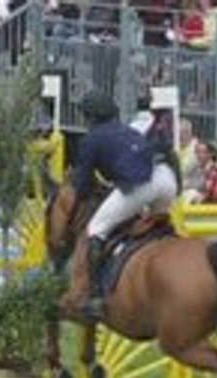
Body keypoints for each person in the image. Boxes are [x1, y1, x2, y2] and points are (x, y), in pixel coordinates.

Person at [70, 89, 179, 321]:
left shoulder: (91, 138)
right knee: (155, 225)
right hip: (167, 180)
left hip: (141, 185)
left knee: (95, 230)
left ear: (90, 116)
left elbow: (81, 184)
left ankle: (95, 297)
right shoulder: (128, 130)